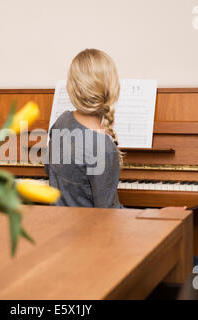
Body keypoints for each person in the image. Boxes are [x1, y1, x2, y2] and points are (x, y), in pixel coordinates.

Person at [45, 48, 124, 208]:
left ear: (72, 87)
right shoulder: (103, 147)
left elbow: (50, 169)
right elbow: (108, 214)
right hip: (87, 231)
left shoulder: (62, 121)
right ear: (112, 88)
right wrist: (156, 214)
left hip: (58, 226)